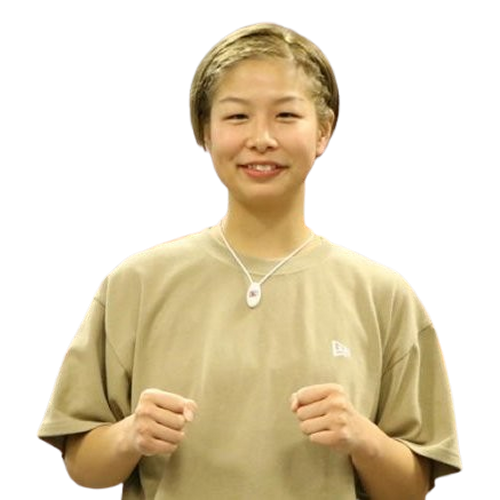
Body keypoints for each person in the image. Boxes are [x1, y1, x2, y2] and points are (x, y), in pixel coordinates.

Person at [37, 21, 463, 499]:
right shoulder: (135, 283)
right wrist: (130, 435)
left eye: (286, 115)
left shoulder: (385, 296)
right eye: (237, 116)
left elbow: (413, 487)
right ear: (205, 132)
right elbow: (82, 466)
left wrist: (363, 438)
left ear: (323, 131)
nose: (261, 138)